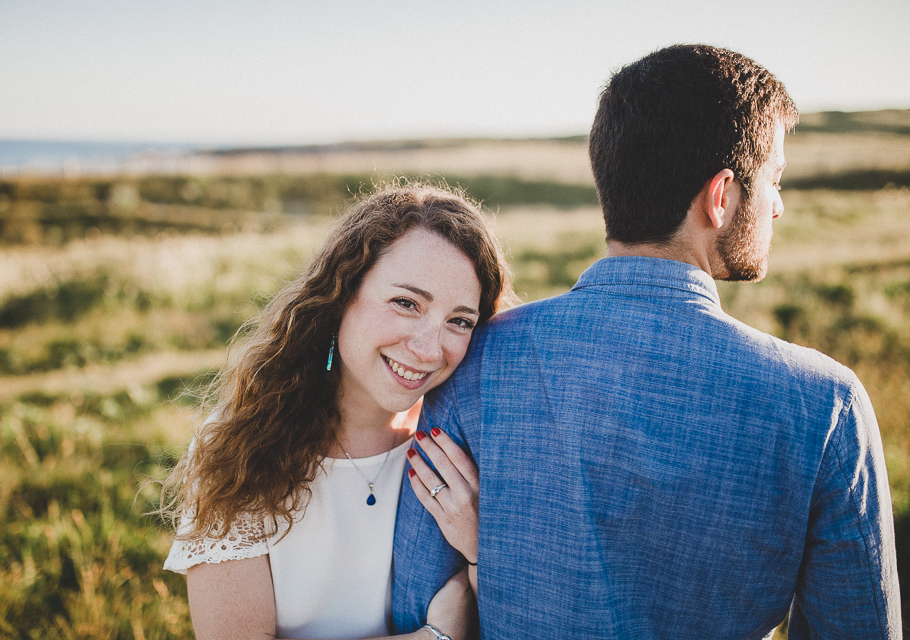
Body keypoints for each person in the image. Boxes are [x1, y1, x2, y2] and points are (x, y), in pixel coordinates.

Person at [393, 44, 901, 637]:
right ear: (721, 198)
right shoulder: (824, 405)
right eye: (775, 181)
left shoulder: (473, 360)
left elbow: (417, 604)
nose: (780, 206)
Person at [161, 181, 512, 639]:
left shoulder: (460, 455)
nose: (429, 349)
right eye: (406, 303)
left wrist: (484, 551)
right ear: (342, 294)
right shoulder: (242, 447)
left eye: (459, 321)